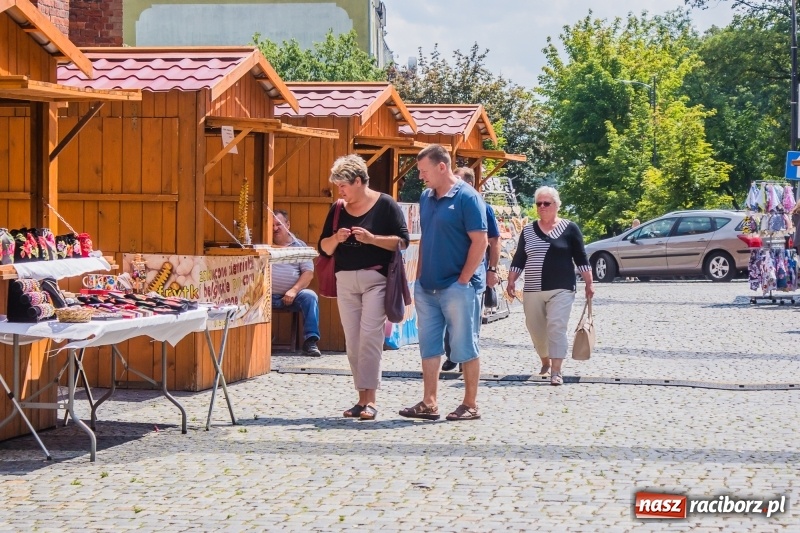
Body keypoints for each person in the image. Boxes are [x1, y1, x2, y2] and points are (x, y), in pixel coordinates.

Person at [399, 145, 487, 421]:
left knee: (464, 345)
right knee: (429, 345)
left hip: (457, 287)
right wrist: (419, 276)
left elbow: (480, 241)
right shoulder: (426, 197)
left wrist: (463, 280)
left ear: (441, 167)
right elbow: (426, 237)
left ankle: (470, 404)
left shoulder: (468, 198)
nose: (420, 177)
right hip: (427, 286)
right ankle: (429, 402)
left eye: (424, 171)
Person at [318, 155, 409, 421]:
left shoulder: (386, 205)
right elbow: (323, 248)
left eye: (343, 185)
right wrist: (336, 238)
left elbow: (402, 242)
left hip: (376, 280)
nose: (340, 191)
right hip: (345, 280)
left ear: (358, 181)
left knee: (370, 337)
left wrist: (372, 239)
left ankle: (371, 400)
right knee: (353, 340)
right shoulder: (337, 208)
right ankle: (361, 398)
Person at [505, 186, 595, 386]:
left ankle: (556, 370)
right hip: (532, 289)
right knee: (535, 328)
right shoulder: (528, 231)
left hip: (562, 287)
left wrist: (589, 282)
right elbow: (520, 258)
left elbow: (581, 257)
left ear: (556, 205)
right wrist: (511, 280)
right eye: (539, 204)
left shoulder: (570, 228)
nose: (542, 207)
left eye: (546, 203)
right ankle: (545, 360)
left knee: (556, 326)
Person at [441, 166, 500, 372]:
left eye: (457, 180)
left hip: (474, 274)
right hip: (448, 272)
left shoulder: (483, 207)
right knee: (450, 317)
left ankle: (465, 360)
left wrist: (492, 269)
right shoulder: (446, 205)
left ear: (469, 184)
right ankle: (452, 354)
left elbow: (493, 240)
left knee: (469, 321)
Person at [271, 210, 321, 356]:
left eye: (278, 224)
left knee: (310, 296)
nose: (275, 228)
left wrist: (293, 290)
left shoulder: (300, 246)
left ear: (288, 225)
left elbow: (308, 273)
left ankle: (310, 342)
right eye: (272, 225)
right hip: (263, 297)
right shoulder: (263, 245)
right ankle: (259, 341)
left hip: (291, 297)